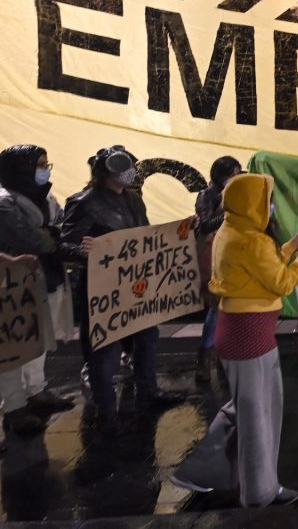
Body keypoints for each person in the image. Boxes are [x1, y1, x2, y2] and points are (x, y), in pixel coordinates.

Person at [172, 173, 298, 507]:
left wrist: (293, 246)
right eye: (266, 199)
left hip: (244, 334)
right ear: (251, 203)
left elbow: (263, 266)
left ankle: (202, 470)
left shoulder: (233, 230)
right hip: (249, 337)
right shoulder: (251, 240)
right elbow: (282, 282)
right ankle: (260, 493)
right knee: (257, 418)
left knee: (249, 409)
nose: (270, 205)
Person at [58, 146, 185, 437]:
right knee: (104, 348)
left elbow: (144, 234)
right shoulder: (84, 202)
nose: (132, 172)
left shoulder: (133, 200)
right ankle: (105, 409)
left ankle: (148, 391)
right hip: (103, 285)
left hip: (135, 281)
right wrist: (82, 251)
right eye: (127, 167)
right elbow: (65, 245)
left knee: (147, 336)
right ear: (111, 169)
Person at [0, 145, 75, 436]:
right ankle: (14, 406)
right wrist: (52, 235)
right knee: (14, 345)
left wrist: (52, 235)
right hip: (15, 285)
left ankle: (35, 390)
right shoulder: (5, 202)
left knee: (40, 339)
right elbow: (33, 240)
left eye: (46, 164)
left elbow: (63, 228)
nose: (45, 170)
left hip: (47, 275)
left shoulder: (44, 196)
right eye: (40, 164)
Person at [193, 156, 243, 383]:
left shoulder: (230, 192)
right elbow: (205, 224)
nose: (236, 177)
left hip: (228, 255)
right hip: (212, 255)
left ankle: (223, 355)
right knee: (216, 308)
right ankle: (204, 360)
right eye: (233, 173)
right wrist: (231, 213)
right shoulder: (207, 194)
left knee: (226, 309)